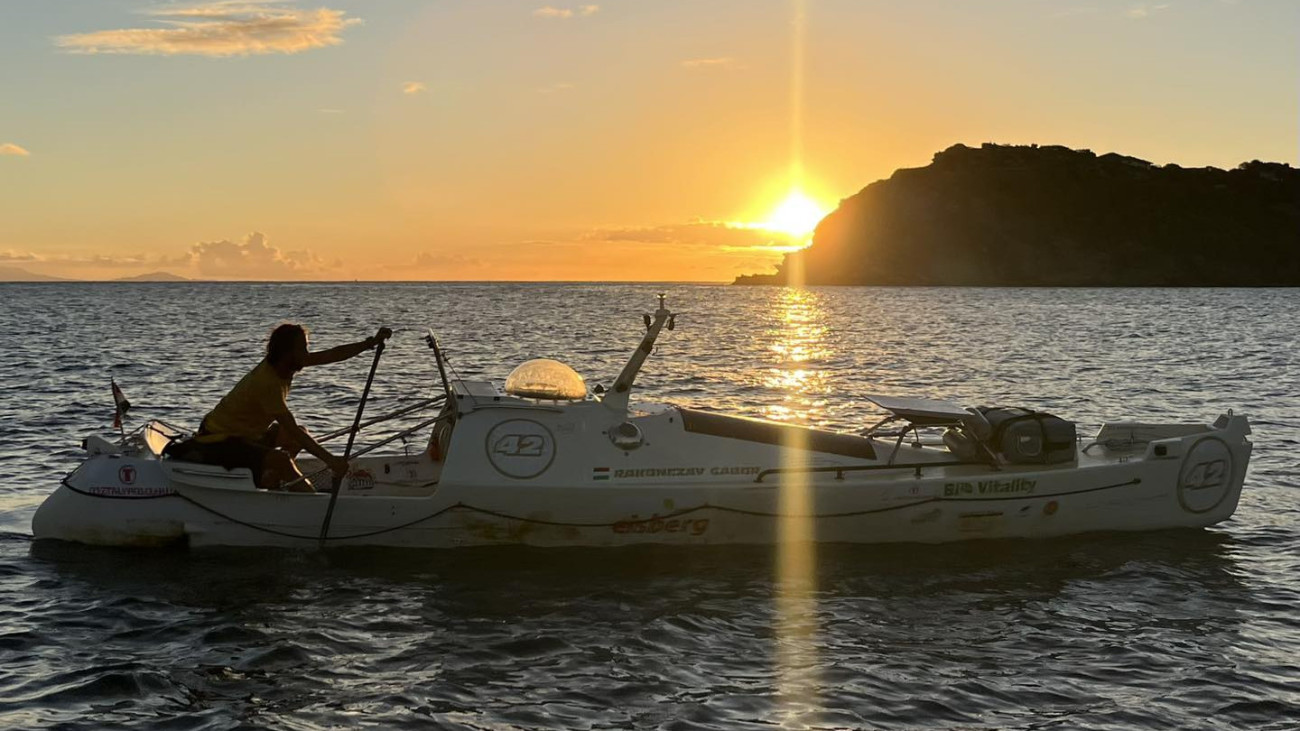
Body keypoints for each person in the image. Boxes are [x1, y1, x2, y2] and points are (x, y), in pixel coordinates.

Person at [176, 323, 392, 492]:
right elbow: (291, 428)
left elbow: (330, 355)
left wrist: (369, 343)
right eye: (303, 348)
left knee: (297, 437)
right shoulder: (267, 382)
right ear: (288, 352)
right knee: (283, 458)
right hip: (220, 441)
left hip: (247, 436)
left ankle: (270, 479)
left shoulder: (285, 364)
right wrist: (331, 461)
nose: (307, 353)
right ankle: (310, 502)